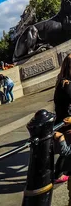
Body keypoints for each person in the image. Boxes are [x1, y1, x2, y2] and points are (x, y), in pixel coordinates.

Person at [53, 54, 71, 183]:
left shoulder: (62, 82)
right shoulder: (67, 85)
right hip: (67, 124)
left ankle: (58, 173)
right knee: (68, 152)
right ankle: (58, 173)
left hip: (63, 122)